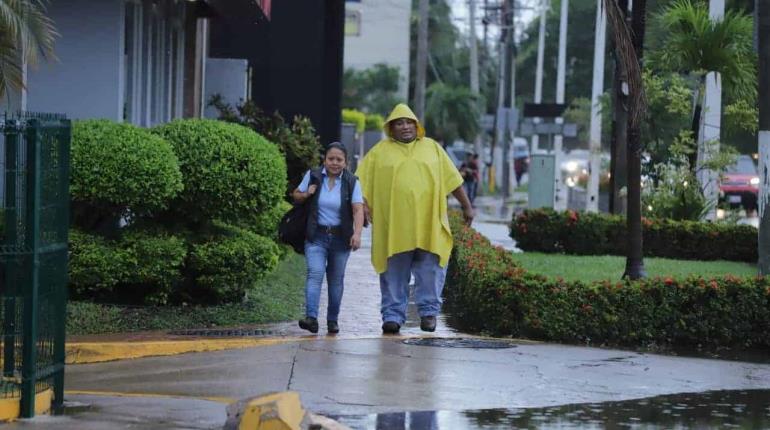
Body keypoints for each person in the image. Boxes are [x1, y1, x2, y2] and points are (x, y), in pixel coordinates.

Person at [356, 103, 474, 334]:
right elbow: (359, 183)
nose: (405, 126)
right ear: (391, 127)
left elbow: (454, 181)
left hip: (428, 226)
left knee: (430, 272)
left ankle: (429, 313)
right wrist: (364, 207)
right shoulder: (379, 151)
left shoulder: (432, 148)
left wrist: (467, 207)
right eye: (399, 123)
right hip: (394, 228)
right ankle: (392, 316)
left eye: (409, 122)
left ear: (416, 125)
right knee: (393, 273)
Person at [292, 142, 365, 334]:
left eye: (339, 160)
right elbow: (296, 195)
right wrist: (307, 193)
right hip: (316, 236)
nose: (334, 163)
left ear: (345, 162)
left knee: (335, 280)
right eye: (330, 159)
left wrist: (357, 234)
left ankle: (332, 320)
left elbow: (358, 210)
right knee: (314, 274)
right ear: (324, 160)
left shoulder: (351, 181)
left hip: (341, 240)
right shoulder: (314, 175)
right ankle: (311, 318)